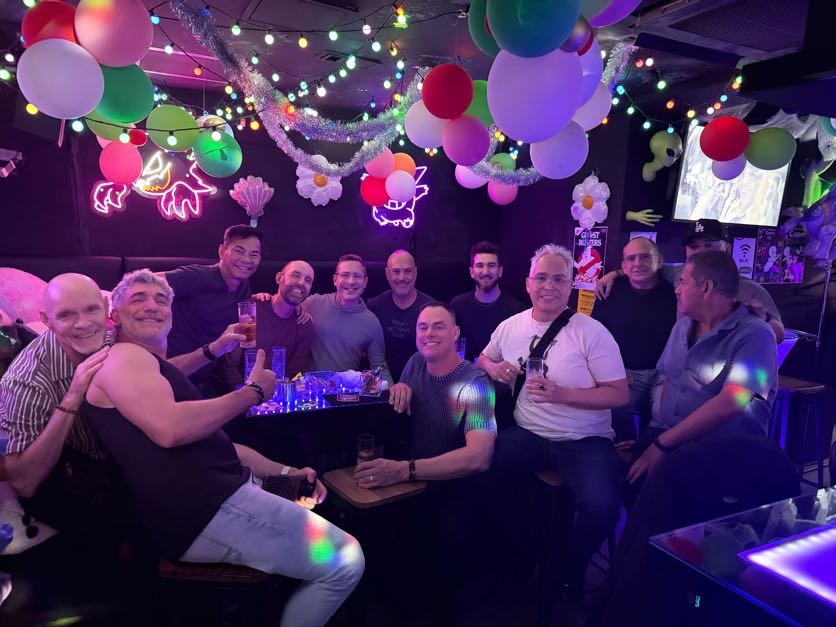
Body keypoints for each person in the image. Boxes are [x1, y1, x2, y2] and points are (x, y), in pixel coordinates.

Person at [83, 270, 364, 627]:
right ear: (114, 313)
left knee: (311, 495)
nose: (152, 306)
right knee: (346, 558)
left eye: (161, 299)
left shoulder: (150, 366)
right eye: (138, 298)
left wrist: (286, 473)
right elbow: (171, 429)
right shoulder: (123, 357)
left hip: (228, 490)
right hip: (210, 508)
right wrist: (254, 392)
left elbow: (221, 446)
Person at [0, 273, 248, 529]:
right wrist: (72, 397)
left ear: (107, 309)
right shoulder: (25, 382)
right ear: (46, 320)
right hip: (83, 478)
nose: (83, 324)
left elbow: (155, 374)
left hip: (131, 459)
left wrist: (212, 350)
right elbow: (25, 483)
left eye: (91, 310)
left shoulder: (114, 333)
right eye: (66, 315)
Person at [478, 244, 629, 597]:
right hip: (528, 435)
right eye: (541, 278)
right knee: (482, 474)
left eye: (559, 279)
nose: (549, 286)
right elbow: (483, 357)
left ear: (571, 285)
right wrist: (495, 367)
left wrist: (565, 395)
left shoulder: (592, 332)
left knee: (603, 507)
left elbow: (620, 394)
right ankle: (519, 554)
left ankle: (567, 567)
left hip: (585, 440)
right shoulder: (510, 326)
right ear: (528, 283)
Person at [626, 250, 778, 485]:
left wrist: (663, 443)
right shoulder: (682, 327)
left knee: (659, 502)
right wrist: (653, 434)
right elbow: (667, 379)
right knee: (625, 481)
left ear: (706, 288)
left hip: (722, 451)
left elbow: (734, 401)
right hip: (669, 435)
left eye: (684, 282)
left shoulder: (756, 334)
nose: (677, 289)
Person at [353, 302, 496, 488]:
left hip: (453, 489)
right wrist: (399, 388)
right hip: (409, 483)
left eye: (439, 327)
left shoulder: (476, 384)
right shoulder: (416, 362)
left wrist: (403, 470)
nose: (429, 333)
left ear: (455, 333)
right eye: (423, 327)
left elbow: (479, 457)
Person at [596, 219, 785, 342]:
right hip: (680, 372)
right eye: (694, 247)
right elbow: (645, 267)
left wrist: (759, 318)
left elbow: (779, 335)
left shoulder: (750, 289)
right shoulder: (678, 273)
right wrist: (613, 274)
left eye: (709, 245)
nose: (701, 252)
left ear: (726, 248)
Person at [591, 237, 676, 442]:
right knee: (616, 418)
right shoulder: (608, 291)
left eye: (645, 257)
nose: (638, 263)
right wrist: (612, 372)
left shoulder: (676, 292)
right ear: (624, 266)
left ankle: (651, 461)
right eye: (631, 258)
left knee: (665, 418)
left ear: (659, 260)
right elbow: (596, 337)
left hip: (663, 373)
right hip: (623, 371)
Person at [162, 224, 263, 393]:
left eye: (254, 254)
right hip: (170, 376)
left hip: (205, 377)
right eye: (239, 251)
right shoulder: (198, 276)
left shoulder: (244, 287)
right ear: (222, 251)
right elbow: (143, 282)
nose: (246, 259)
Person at [220, 260, 315, 386]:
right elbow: (230, 366)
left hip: (276, 398)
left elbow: (294, 374)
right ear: (279, 278)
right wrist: (244, 398)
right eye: (295, 275)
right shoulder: (250, 310)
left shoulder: (304, 324)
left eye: (308, 280)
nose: (301, 282)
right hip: (239, 394)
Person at [304, 254, 392, 384]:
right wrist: (264, 300)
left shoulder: (372, 323)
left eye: (357, 276)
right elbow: (284, 306)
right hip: (307, 394)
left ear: (365, 281)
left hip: (344, 398)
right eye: (345, 275)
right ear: (335, 279)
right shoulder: (312, 303)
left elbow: (379, 367)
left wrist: (394, 395)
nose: (351, 281)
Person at [451, 241, 525, 362]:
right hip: (463, 378)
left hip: (500, 379)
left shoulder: (516, 310)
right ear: (471, 272)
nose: (485, 272)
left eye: (491, 265)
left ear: (500, 271)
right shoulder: (457, 306)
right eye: (480, 266)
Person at [366, 250, 434, 381]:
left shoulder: (431, 309)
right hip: (383, 385)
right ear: (387, 273)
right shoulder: (374, 306)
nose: (402, 277)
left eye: (407, 271)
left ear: (415, 273)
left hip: (423, 384)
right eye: (396, 271)